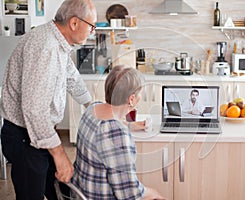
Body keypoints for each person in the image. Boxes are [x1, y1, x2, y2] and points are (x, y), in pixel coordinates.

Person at [0, 0, 97, 199]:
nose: (92, 32)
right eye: (91, 26)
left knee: (61, 191)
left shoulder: (57, 41)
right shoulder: (46, 48)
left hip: (38, 135)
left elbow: (71, 76)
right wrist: (60, 155)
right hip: (24, 137)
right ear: (74, 23)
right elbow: (35, 110)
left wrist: (92, 105)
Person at [71, 66, 165, 200]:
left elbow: (110, 124)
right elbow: (129, 194)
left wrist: (131, 125)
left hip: (81, 193)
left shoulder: (92, 109)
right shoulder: (117, 135)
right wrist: (153, 193)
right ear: (131, 99)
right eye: (139, 94)